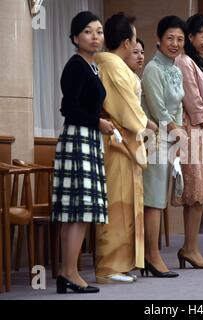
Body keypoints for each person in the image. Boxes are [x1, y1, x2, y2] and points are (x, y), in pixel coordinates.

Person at [51, 11, 114, 293]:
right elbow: (69, 109)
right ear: (76, 37)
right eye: (88, 32)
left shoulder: (92, 66)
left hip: (87, 138)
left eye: (99, 31)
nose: (95, 37)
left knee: (77, 210)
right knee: (78, 211)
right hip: (78, 138)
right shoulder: (76, 66)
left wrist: (99, 121)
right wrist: (98, 122)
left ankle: (68, 272)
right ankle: (70, 272)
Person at [94, 13, 157, 284]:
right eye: (133, 38)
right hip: (116, 141)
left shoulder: (112, 64)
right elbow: (127, 109)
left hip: (122, 139)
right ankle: (109, 266)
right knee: (117, 204)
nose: (135, 45)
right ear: (126, 41)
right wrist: (145, 123)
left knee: (125, 203)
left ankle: (121, 262)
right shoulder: (112, 65)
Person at [141, 15, 187, 277]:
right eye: (170, 38)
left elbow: (178, 106)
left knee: (160, 199)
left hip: (169, 139)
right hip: (153, 139)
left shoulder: (176, 69)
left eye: (180, 39)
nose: (175, 43)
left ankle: (152, 254)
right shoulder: (153, 69)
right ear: (158, 40)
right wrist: (176, 130)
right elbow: (158, 110)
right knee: (154, 200)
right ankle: (151, 255)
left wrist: (179, 137)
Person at [172, 13, 203, 269]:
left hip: (198, 131)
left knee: (198, 194)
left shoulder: (196, 61)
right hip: (191, 131)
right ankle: (189, 248)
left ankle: (191, 247)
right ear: (190, 36)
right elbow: (193, 100)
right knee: (195, 193)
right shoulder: (183, 61)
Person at [125, 38, 145, 103]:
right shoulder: (124, 76)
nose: (140, 56)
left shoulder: (135, 77)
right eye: (135, 52)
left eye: (142, 53)